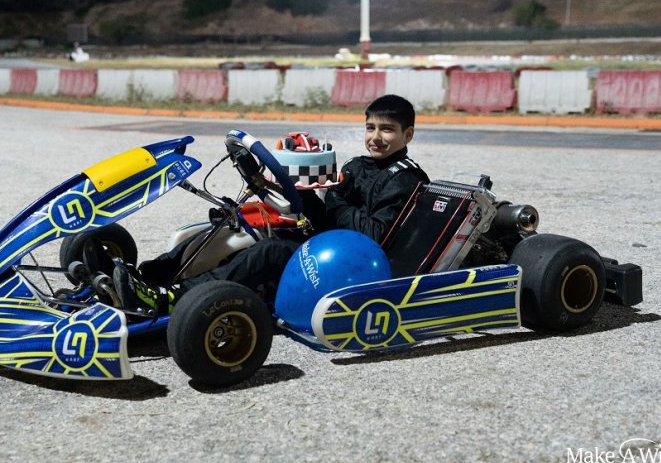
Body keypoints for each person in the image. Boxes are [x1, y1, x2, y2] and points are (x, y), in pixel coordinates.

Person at [100, 94, 429, 312]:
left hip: (353, 265)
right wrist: (300, 191)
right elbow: (325, 216)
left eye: (387, 130)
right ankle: (146, 278)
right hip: (327, 243)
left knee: (269, 251)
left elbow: (374, 234)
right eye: (371, 127)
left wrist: (332, 197)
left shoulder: (405, 178)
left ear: (408, 135)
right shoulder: (357, 165)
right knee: (237, 225)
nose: (376, 137)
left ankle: (174, 300)